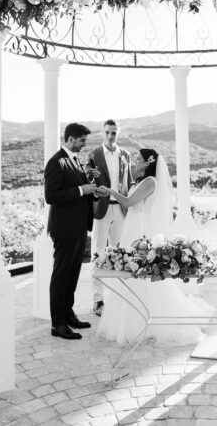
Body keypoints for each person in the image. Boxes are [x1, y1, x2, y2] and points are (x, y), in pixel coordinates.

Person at [96, 148, 214, 345]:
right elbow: (128, 205)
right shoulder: (141, 181)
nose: (135, 162)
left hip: (140, 228)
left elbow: (128, 201)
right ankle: (129, 318)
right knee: (130, 272)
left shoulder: (151, 182)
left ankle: (146, 318)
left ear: (148, 162)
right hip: (131, 226)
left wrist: (110, 191)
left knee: (139, 272)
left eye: (139, 159)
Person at [45, 122, 105, 340]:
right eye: (81, 140)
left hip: (79, 227)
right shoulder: (56, 162)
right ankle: (57, 324)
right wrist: (82, 189)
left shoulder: (76, 161)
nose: (84, 144)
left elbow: (81, 190)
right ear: (70, 139)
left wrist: (90, 184)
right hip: (64, 229)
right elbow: (52, 196)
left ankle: (68, 315)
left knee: (72, 275)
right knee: (61, 276)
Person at [89, 119, 132, 316]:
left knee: (119, 252)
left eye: (113, 133)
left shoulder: (126, 155)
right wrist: (98, 192)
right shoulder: (94, 155)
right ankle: (98, 299)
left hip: (120, 210)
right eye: (107, 132)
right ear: (102, 133)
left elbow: (128, 182)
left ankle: (116, 297)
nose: (110, 136)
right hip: (102, 209)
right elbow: (88, 181)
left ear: (118, 133)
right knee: (97, 253)